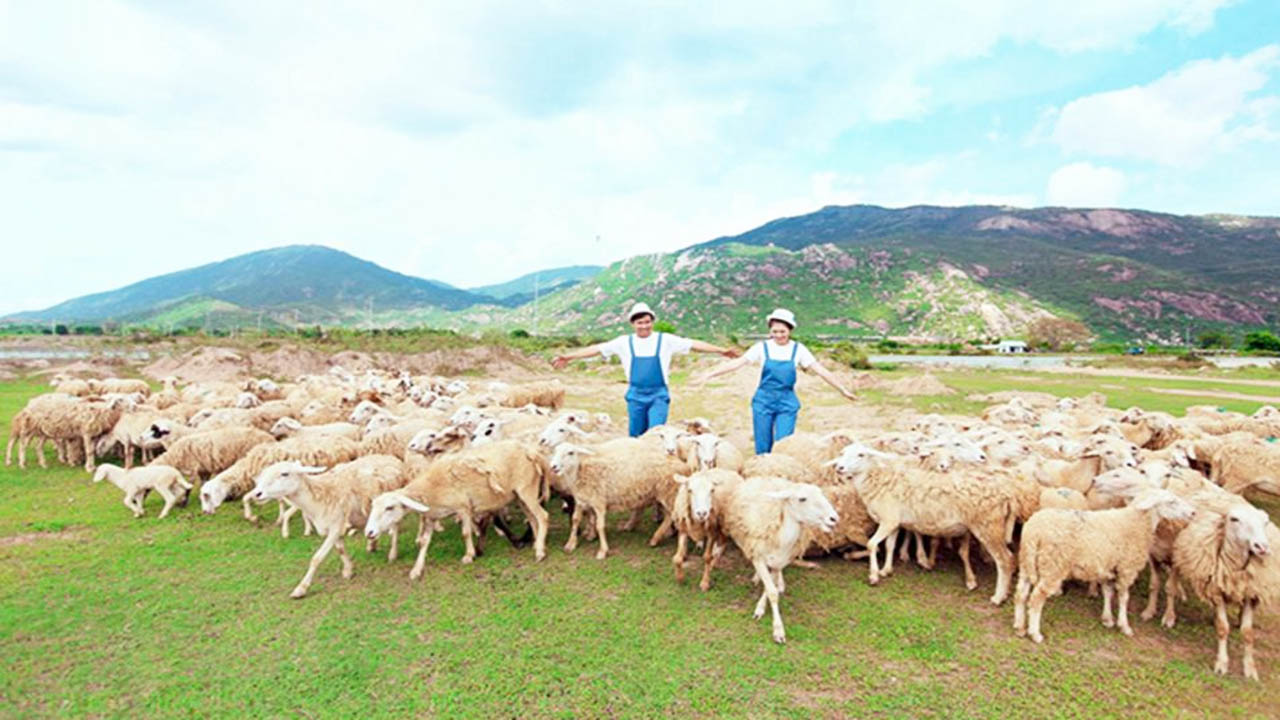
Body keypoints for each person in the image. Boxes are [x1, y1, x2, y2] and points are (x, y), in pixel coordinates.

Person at [551, 302, 739, 437]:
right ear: (633, 324)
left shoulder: (665, 340)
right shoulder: (624, 342)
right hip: (635, 395)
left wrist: (721, 351)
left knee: (657, 434)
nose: (644, 326)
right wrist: (569, 357)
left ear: (652, 321)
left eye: (647, 321)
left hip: (659, 395)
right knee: (635, 436)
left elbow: (693, 344)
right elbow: (596, 349)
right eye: (640, 322)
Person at [692, 308, 856, 454]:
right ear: (770, 330)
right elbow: (737, 363)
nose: (778, 335)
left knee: (784, 444)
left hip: (787, 401)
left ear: (790, 330)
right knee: (763, 446)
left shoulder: (798, 349)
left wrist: (842, 389)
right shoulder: (761, 347)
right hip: (763, 400)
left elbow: (820, 370)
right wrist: (709, 374)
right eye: (775, 331)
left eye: (782, 332)